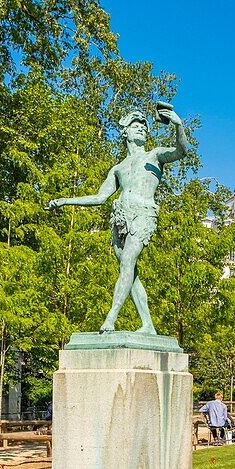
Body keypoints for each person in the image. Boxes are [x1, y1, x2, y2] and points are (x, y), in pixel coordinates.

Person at [47, 103, 188, 335]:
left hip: (142, 215)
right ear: (126, 132)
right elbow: (100, 197)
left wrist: (178, 125)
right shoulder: (118, 167)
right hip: (120, 218)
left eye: (144, 126)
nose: (142, 129)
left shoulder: (155, 155)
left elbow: (181, 151)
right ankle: (148, 325)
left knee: (127, 263)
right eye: (136, 126)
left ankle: (110, 318)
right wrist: (66, 200)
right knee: (130, 273)